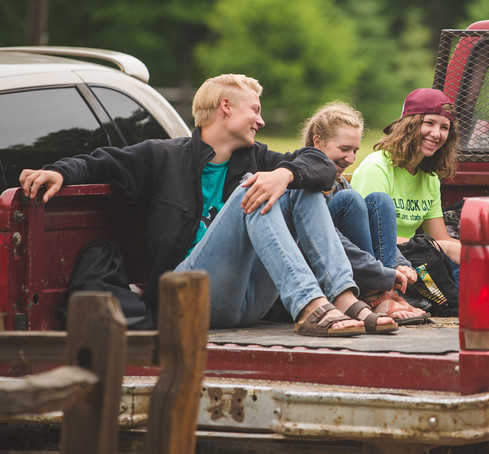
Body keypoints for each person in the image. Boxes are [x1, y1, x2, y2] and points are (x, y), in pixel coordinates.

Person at [19, 74, 397, 336]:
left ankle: (342, 297)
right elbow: (101, 161)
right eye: (255, 110)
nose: (262, 121)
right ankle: (311, 305)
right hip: (185, 298)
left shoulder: (256, 158)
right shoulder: (163, 157)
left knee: (299, 185)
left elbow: (317, 164)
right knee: (252, 191)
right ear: (226, 108)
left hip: (246, 302)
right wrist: (60, 173)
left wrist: (284, 176)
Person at [300, 102, 430, 325]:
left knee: (380, 201)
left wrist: (401, 264)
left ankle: (385, 295)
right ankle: (376, 294)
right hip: (324, 269)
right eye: (344, 149)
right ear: (317, 142)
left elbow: (375, 235)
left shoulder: (338, 182)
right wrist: (381, 274)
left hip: (364, 272)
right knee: (349, 200)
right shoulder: (304, 188)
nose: (351, 159)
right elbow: (332, 240)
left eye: (354, 151)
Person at [350, 88, 461, 265]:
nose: (437, 133)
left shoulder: (429, 177)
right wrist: (441, 247)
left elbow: (440, 237)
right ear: (410, 125)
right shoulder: (376, 169)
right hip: (380, 261)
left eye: (444, 127)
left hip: (415, 257)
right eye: (430, 123)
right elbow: (368, 238)